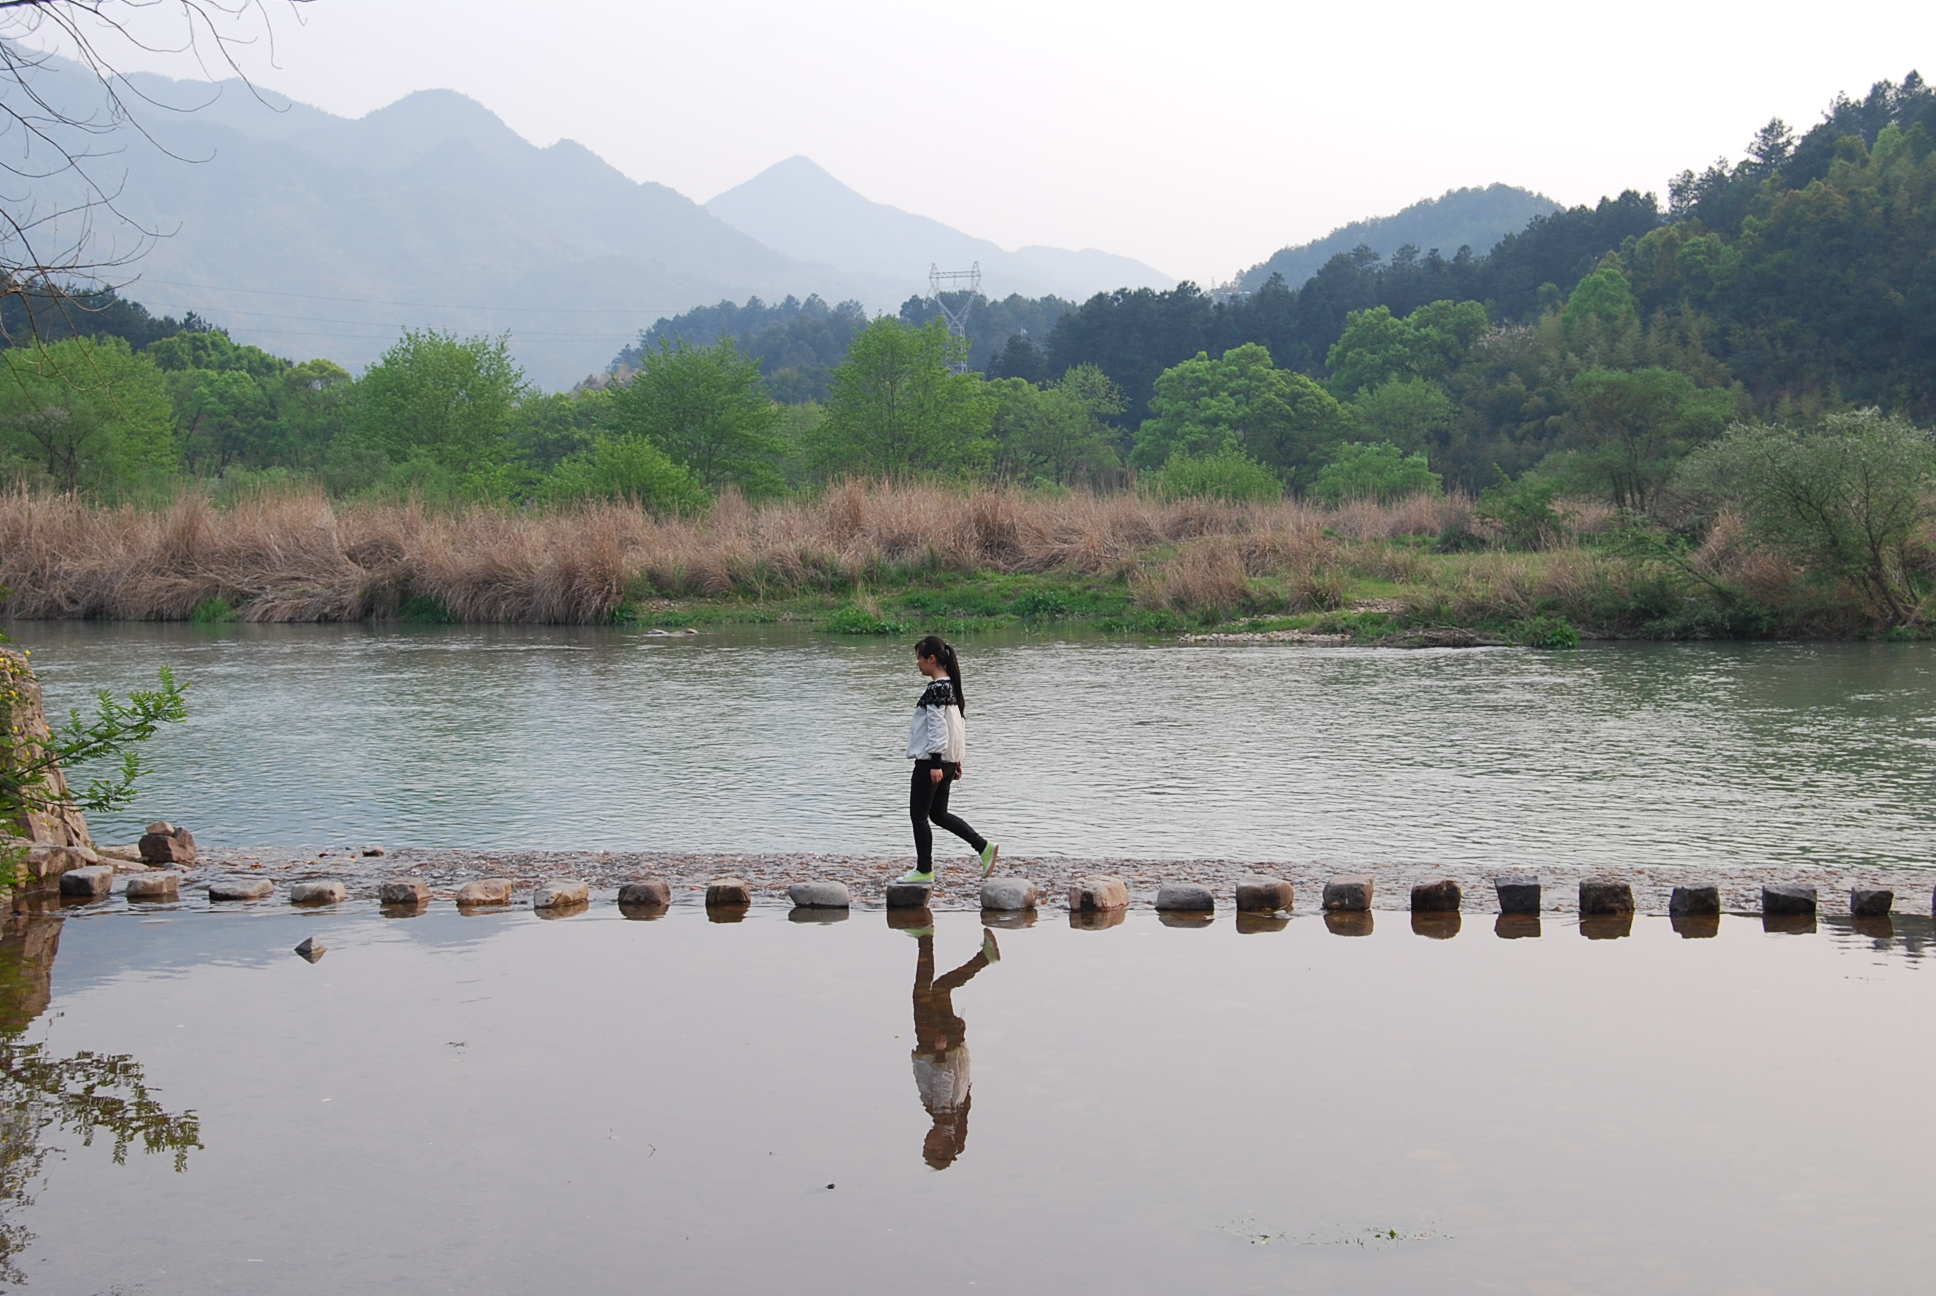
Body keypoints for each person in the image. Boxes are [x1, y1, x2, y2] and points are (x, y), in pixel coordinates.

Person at [898, 634, 998, 885]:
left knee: (919, 816)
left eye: (919, 659)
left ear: (931, 659)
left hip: (933, 762)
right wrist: (956, 760)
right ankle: (983, 846)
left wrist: (934, 764)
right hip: (948, 760)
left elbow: (938, 729)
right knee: (938, 814)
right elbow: (957, 727)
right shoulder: (952, 686)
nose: (917, 664)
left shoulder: (935, 689)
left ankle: (924, 870)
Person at [907, 923, 999, 1169]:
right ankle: (926, 937)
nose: (925, 1141)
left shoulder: (956, 1117)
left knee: (938, 990)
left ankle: (931, 941)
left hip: (950, 1047)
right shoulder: (943, 1116)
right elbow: (943, 1082)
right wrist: (939, 1053)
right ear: (942, 1144)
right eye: (929, 1147)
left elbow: (965, 1084)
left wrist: (960, 1040)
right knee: (925, 992)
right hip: (936, 1046)